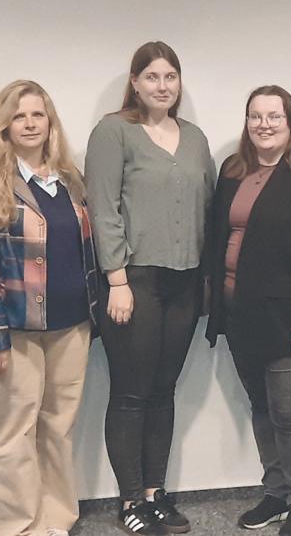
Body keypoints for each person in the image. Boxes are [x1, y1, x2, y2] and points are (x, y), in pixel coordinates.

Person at [0, 80, 98, 536]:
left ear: (50, 123)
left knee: (57, 430)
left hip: (69, 326)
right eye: (19, 116)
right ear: (4, 125)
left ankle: (55, 523)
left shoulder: (68, 180)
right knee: (13, 436)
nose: (30, 124)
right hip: (10, 329)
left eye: (38, 114)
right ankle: (18, 527)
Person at [85, 41, 215, 535]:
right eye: (153, 77)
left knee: (164, 390)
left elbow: (206, 208)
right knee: (132, 392)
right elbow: (103, 209)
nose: (163, 86)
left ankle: (156, 493)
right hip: (133, 281)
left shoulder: (196, 138)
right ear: (135, 82)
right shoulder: (114, 132)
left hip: (184, 282)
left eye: (171, 77)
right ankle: (130, 501)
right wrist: (116, 280)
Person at [206, 85, 291, 536]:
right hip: (240, 313)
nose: (264, 124)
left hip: (289, 321)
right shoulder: (233, 170)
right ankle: (276, 493)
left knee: (289, 413)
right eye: (255, 116)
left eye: (273, 116)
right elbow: (216, 238)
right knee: (261, 408)